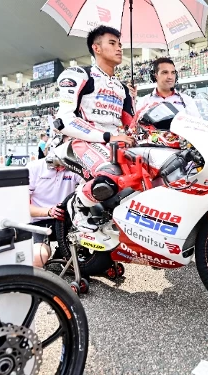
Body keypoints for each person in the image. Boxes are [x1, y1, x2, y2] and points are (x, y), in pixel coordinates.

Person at [53, 25, 135, 232]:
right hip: (80, 142)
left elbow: (131, 124)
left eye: (120, 45)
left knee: (145, 172)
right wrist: (107, 136)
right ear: (96, 48)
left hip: (113, 143)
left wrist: (134, 98)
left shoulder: (122, 88)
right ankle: (77, 205)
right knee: (111, 174)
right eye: (112, 43)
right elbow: (63, 120)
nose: (119, 49)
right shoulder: (79, 74)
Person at [27, 140, 81, 267]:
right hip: (38, 223)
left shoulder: (74, 167)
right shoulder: (33, 167)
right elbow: (21, 207)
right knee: (39, 257)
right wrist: (49, 211)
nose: (62, 168)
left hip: (66, 221)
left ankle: (63, 254)